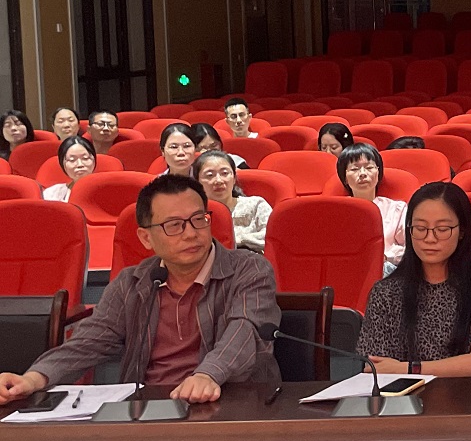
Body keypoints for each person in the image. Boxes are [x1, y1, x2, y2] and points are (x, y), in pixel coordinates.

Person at [0, 174, 281, 404]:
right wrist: (34, 378)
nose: (191, 233)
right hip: (148, 407)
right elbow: (91, 341)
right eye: (174, 225)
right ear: (146, 238)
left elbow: (246, 329)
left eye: (199, 219)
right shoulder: (132, 282)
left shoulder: (249, 269)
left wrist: (208, 375)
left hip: (232, 400)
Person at [356, 182, 471, 379]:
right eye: (420, 228)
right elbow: (377, 368)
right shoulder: (385, 292)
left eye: (442, 229)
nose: (430, 238)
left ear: (462, 231)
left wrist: (408, 369)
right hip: (405, 395)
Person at [338, 143, 405, 274]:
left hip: (387, 270)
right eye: (354, 169)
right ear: (344, 177)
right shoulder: (337, 212)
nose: (363, 173)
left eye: (369, 167)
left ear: (378, 172)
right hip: (346, 270)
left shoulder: (396, 208)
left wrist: (385, 257)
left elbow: (409, 248)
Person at [194, 150, 272, 252]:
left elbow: (271, 237)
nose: (218, 180)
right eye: (210, 175)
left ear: (234, 178)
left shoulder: (256, 204)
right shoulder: (193, 213)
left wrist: (237, 240)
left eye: (224, 173)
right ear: (197, 182)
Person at [42, 136, 97, 203]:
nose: (80, 164)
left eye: (85, 158)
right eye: (72, 160)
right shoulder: (52, 194)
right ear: (62, 164)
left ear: (94, 160)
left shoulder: (106, 190)